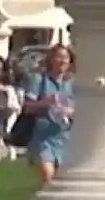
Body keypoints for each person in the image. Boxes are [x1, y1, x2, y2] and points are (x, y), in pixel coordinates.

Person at [19, 45, 75, 186]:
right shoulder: (39, 80)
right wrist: (45, 103)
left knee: (63, 186)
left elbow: (81, 109)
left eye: (66, 58)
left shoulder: (72, 84)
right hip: (43, 139)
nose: (62, 61)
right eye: (59, 57)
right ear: (51, 60)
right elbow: (27, 107)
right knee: (49, 181)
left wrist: (70, 111)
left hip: (65, 139)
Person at [0, 58, 21, 161]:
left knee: (6, 130)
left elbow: (13, 90)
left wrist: (2, 89)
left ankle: (11, 149)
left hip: (8, 107)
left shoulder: (8, 77)